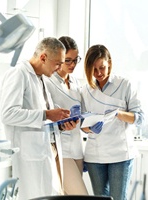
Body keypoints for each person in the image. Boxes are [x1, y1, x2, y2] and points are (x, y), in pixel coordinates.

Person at [0, 37, 78, 200]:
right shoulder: (19, 74)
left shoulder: (41, 78)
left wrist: (61, 125)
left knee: (51, 194)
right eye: (57, 63)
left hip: (47, 149)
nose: (59, 68)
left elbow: (43, 120)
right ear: (43, 57)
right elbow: (8, 113)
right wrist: (47, 114)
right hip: (29, 154)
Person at [81, 44, 144, 200]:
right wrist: (90, 128)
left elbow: (140, 117)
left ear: (109, 62)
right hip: (95, 155)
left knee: (118, 198)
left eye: (102, 67)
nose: (98, 73)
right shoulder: (86, 90)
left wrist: (118, 114)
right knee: (100, 198)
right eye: (94, 70)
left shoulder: (125, 85)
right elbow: (83, 126)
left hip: (120, 154)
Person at [43, 36, 88, 195]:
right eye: (68, 60)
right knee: (82, 196)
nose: (73, 65)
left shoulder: (76, 82)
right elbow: (45, 117)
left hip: (77, 149)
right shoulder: (48, 81)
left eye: (76, 60)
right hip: (61, 149)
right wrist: (62, 124)